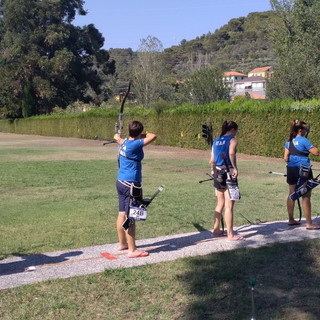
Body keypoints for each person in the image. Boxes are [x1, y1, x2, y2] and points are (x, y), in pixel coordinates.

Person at [114, 120, 157, 258]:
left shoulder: (125, 142)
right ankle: (132, 250)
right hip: (130, 184)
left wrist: (128, 135)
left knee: (122, 214)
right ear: (138, 133)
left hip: (121, 182)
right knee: (131, 216)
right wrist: (139, 135)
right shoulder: (135, 143)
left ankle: (122, 243)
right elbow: (153, 135)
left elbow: (118, 139)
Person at [284, 120, 320, 229]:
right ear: (300, 130)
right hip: (303, 169)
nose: (306, 131)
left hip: (291, 168)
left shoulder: (288, 142)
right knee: (306, 195)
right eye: (305, 129)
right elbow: (316, 152)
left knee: (292, 193)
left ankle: (291, 219)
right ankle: (309, 224)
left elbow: (285, 158)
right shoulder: (304, 140)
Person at [209, 120, 242, 240]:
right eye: (236, 131)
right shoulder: (232, 140)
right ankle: (230, 234)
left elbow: (212, 160)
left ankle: (216, 229)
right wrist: (235, 168)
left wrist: (213, 170)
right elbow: (232, 153)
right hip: (228, 172)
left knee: (220, 203)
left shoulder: (216, 141)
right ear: (232, 130)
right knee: (229, 205)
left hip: (217, 171)